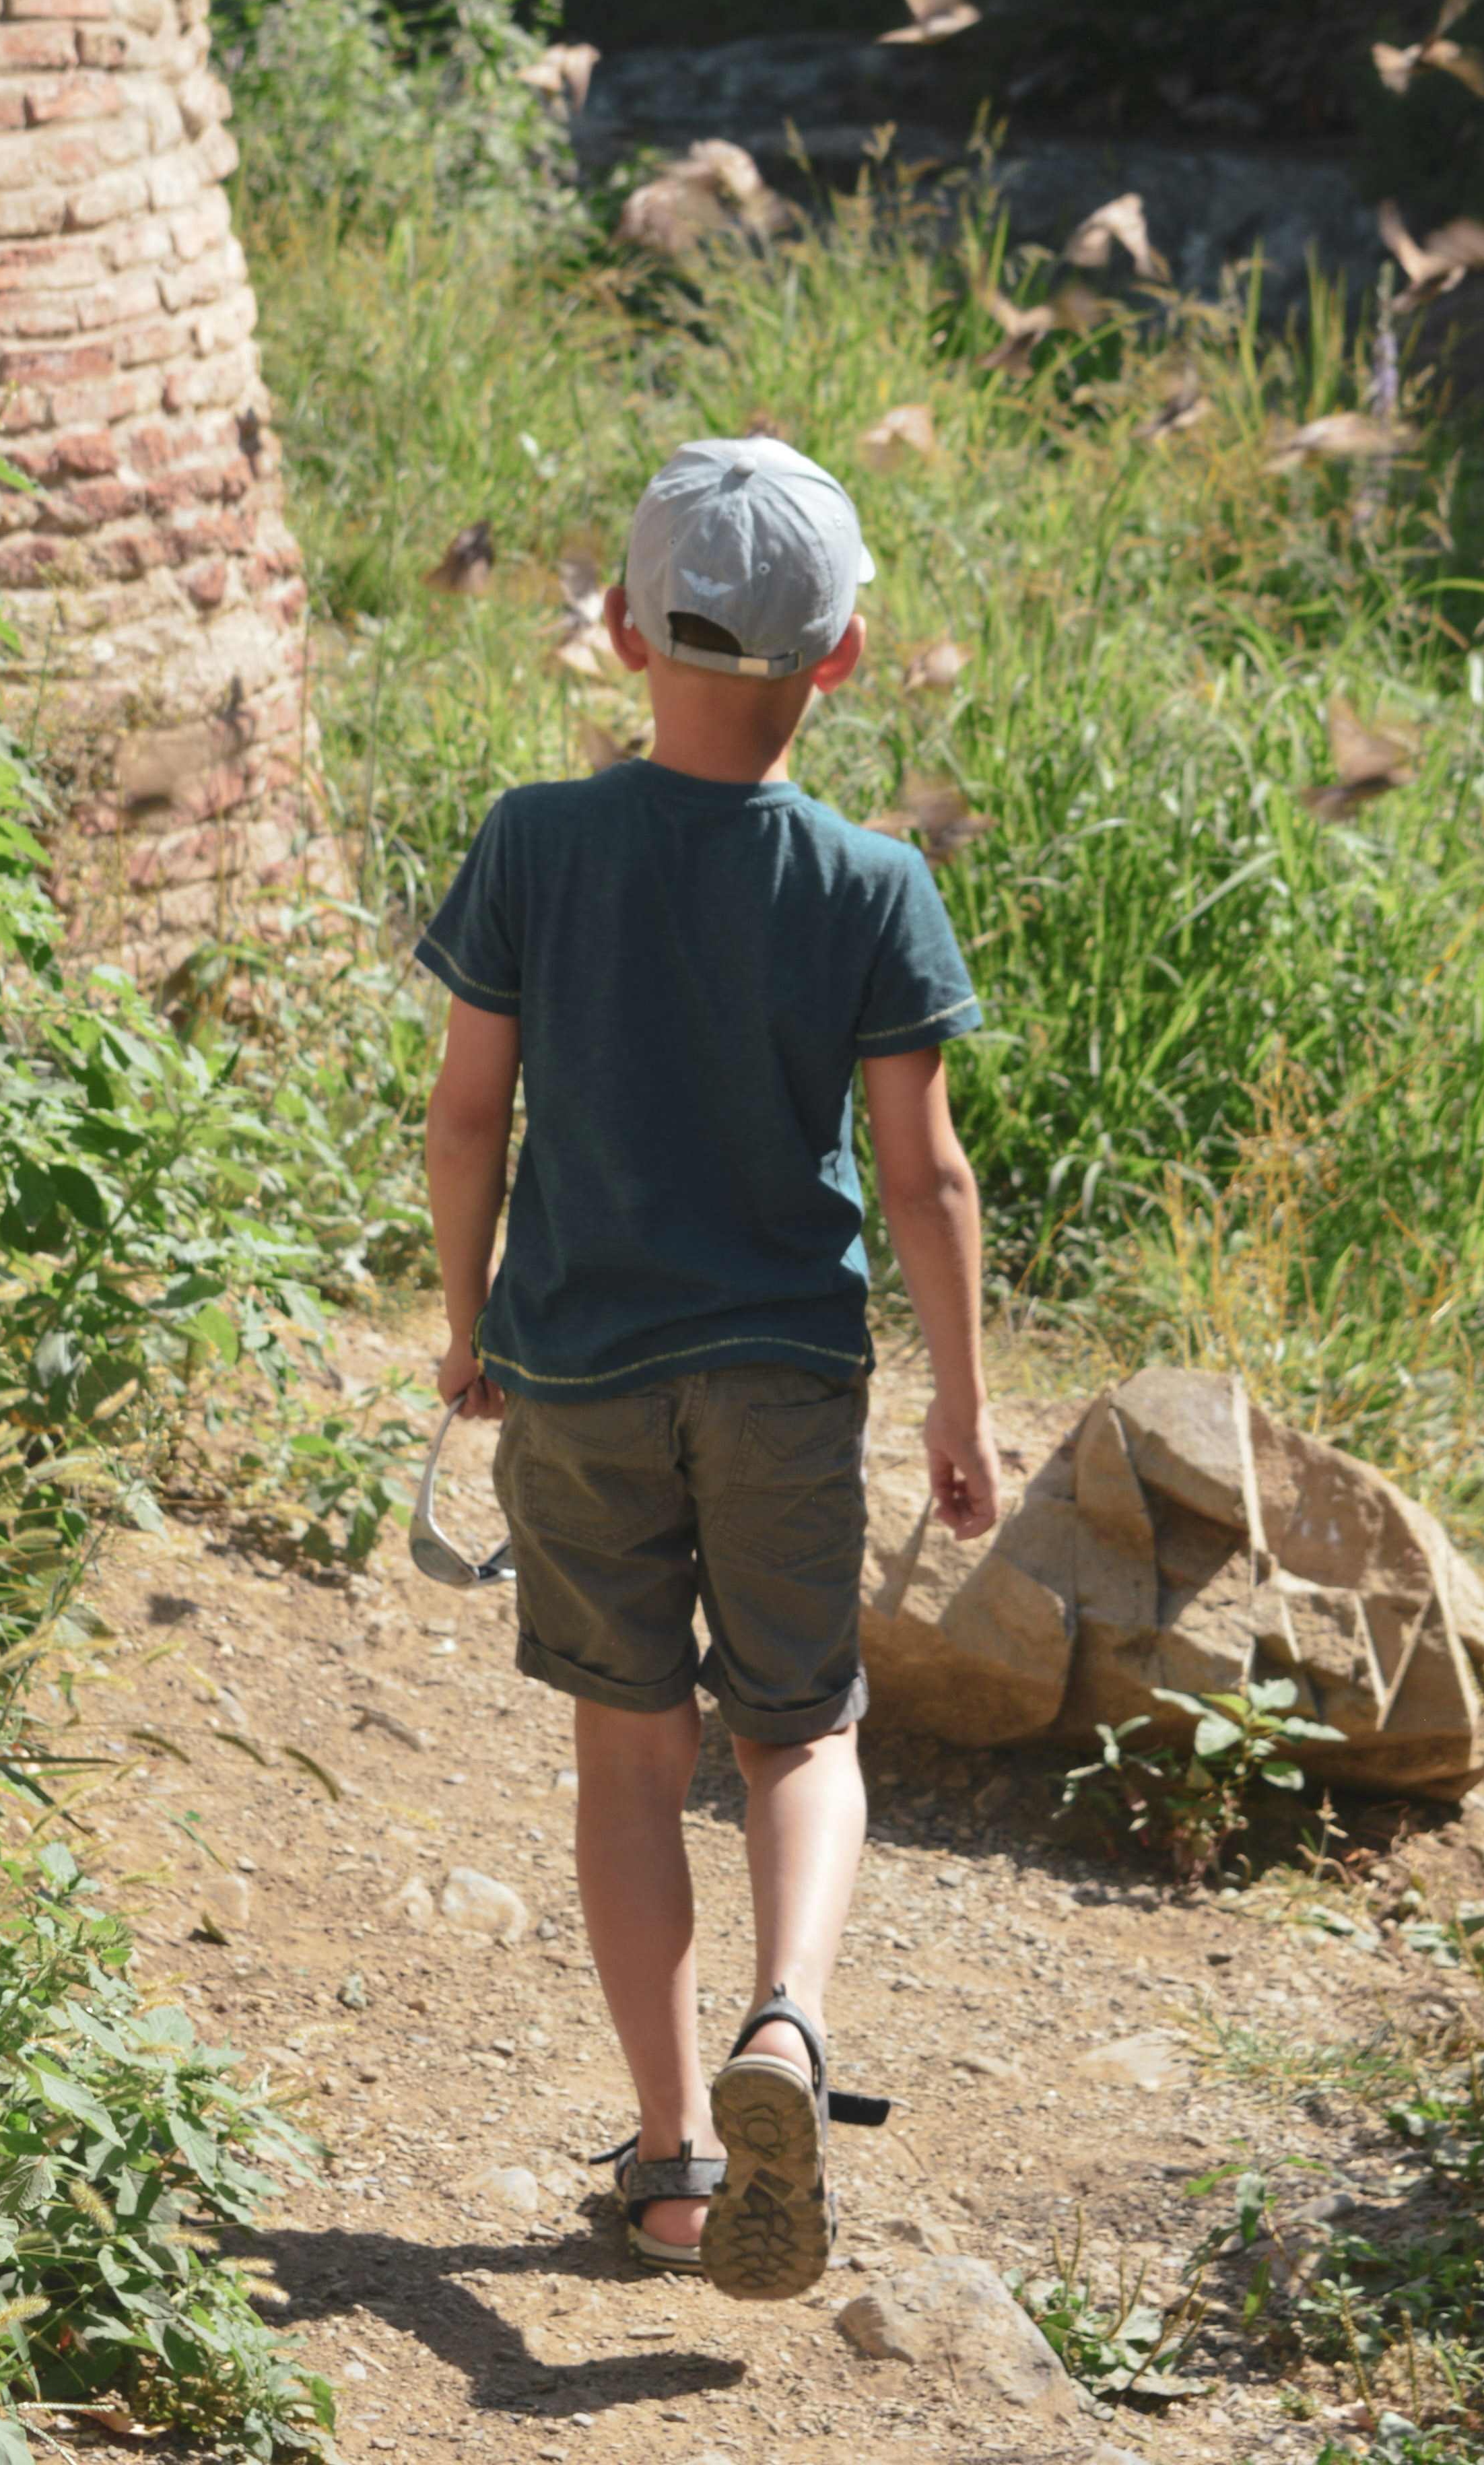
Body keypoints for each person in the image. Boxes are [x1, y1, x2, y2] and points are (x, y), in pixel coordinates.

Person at [418, 433, 1001, 2300]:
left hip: (579, 1373)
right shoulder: (874, 882)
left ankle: (675, 2164)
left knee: (628, 1754)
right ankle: (789, 2029)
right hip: (783, 1377)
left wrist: (467, 1327)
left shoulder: (536, 842)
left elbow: (467, 1116)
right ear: (842, 657)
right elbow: (925, 1174)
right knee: (800, 1727)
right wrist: (961, 1403)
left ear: (619, 627)